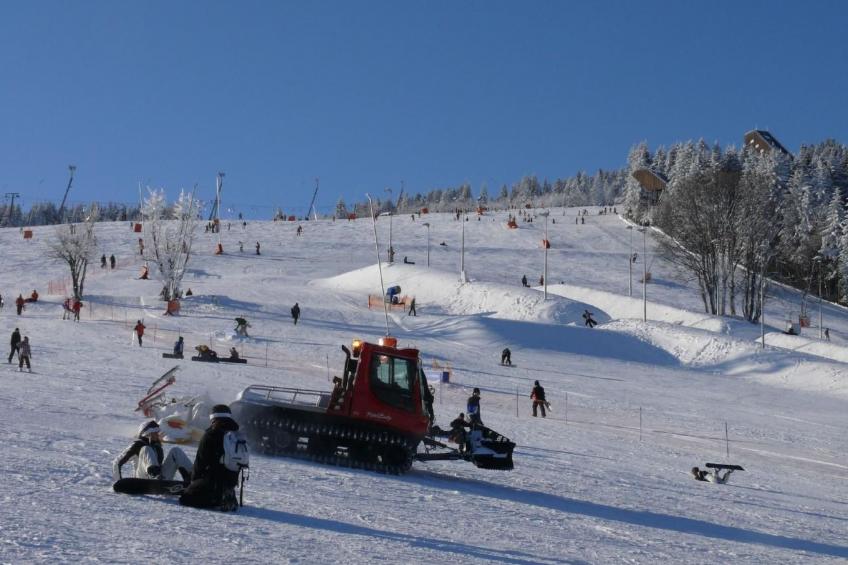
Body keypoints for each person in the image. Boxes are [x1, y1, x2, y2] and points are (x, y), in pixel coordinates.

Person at [180, 404, 241, 511]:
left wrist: (193, 481)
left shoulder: (210, 435)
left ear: (213, 418)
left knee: (185, 499)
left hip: (211, 484)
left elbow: (200, 463)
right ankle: (226, 496)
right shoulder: (235, 435)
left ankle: (216, 499)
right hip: (229, 483)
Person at [113, 420, 193, 484]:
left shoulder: (156, 446)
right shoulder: (137, 445)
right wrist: (118, 482)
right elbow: (117, 462)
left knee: (175, 451)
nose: (157, 435)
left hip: (160, 479)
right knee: (146, 448)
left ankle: (194, 478)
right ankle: (154, 475)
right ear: (147, 434)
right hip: (141, 480)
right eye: (154, 433)